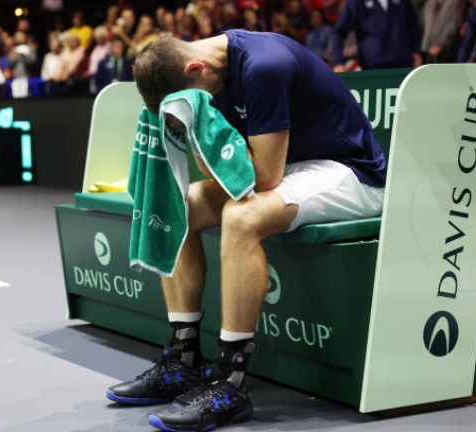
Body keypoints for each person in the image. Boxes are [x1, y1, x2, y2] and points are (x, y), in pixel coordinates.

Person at [107, 29, 387, 432]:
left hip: (349, 173)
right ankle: (183, 359)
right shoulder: (204, 74)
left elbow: (265, 177)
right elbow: (234, 172)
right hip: (293, 165)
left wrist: (197, 126)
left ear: (195, 67)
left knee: (243, 217)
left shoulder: (263, 65)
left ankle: (229, 381)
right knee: (178, 204)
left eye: (194, 97)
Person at [331, 0, 423, 71]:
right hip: (372, 68)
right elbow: (338, 32)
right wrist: (338, 62)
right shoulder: (357, 1)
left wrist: (416, 51)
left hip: (403, 65)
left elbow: (413, 25)